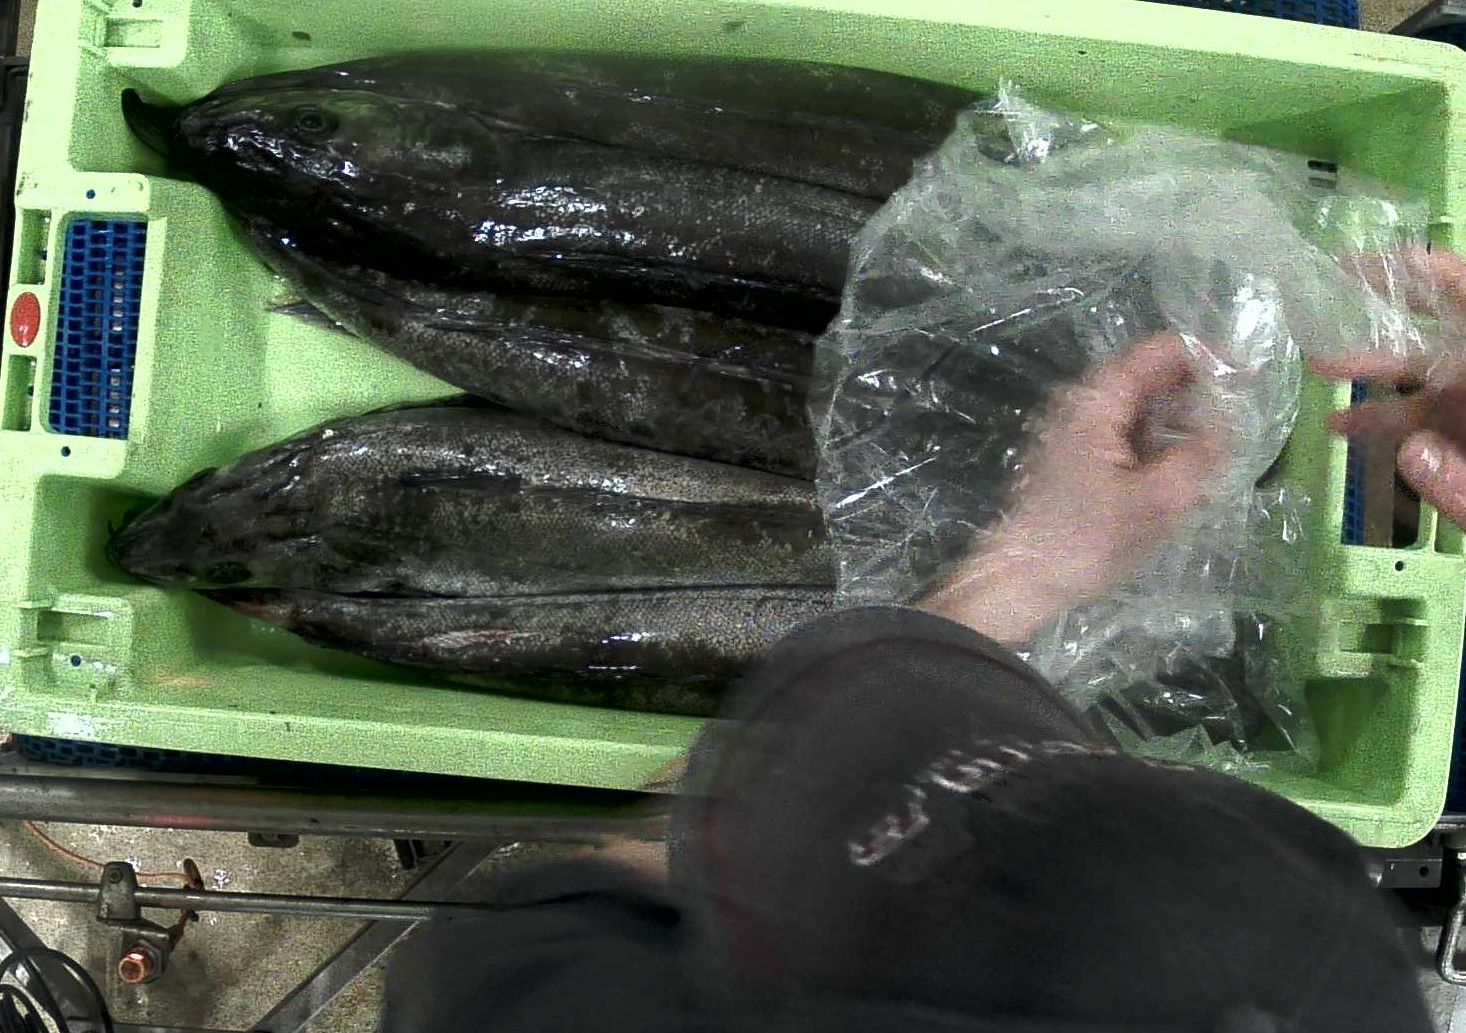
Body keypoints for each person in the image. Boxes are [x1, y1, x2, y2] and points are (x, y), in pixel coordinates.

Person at [380, 261, 1466, 1032]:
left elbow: (592, 913)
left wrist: (1013, 575)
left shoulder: (546, 996)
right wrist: (1030, 571)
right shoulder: (1336, 995)